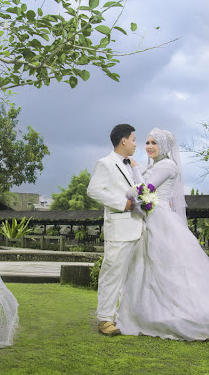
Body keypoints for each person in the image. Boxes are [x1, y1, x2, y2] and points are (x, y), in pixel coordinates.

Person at [115, 128, 209, 342]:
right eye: (147, 142)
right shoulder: (156, 165)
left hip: (160, 220)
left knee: (166, 266)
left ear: (165, 146)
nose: (148, 146)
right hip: (150, 218)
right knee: (146, 266)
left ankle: (175, 314)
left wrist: (134, 169)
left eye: (154, 143)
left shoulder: (168, 165)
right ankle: (145, 312)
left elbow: (144, 193)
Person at [87, 124, 145, 336]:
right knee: (111, 274)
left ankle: (125, 316)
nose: (136, 144)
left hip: (137, 228)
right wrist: (122, 203)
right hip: (119, 229)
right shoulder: (105, 163)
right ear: (123, 140)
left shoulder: (130, 165)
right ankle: (105, 319)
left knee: (133, 276)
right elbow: (93, 190)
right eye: (134, 139)